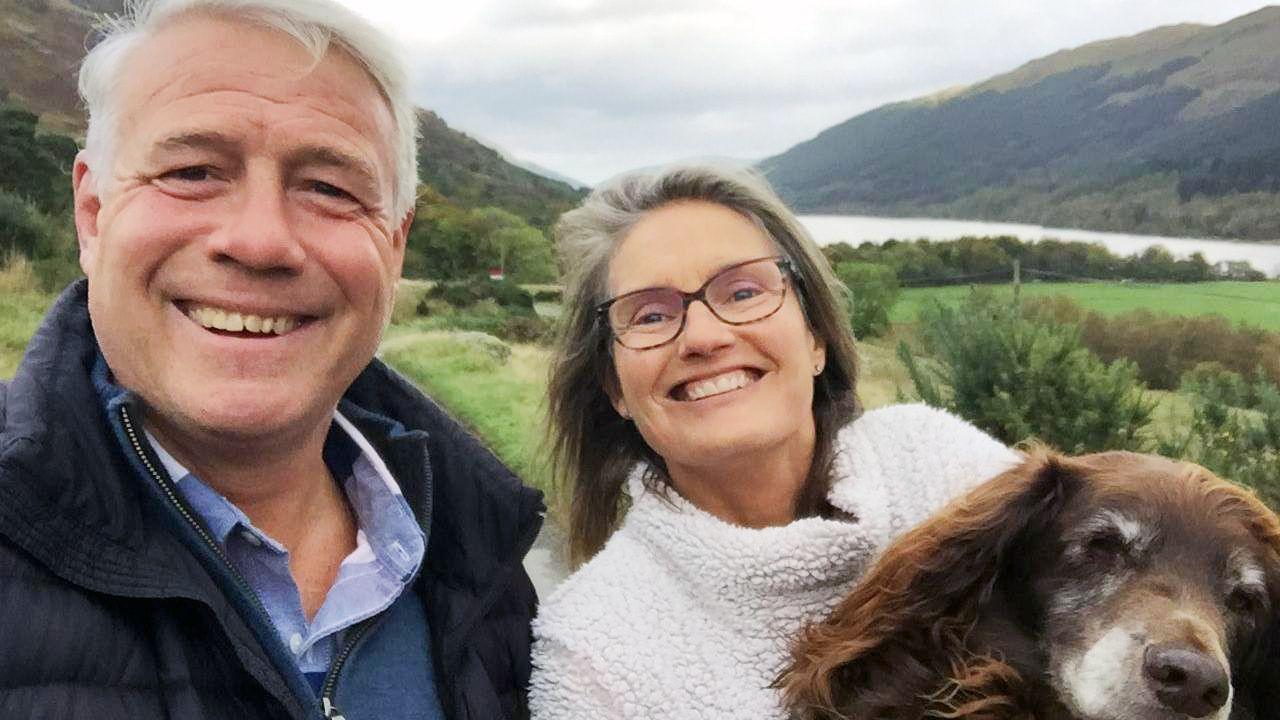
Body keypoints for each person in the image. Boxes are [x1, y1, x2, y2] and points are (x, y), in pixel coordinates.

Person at [0, 1, 543, 718]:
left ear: (395, 242)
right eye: (192, 170)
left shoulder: (485, 562)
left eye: (329, 188)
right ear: (93, 213)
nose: (260, 241)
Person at [529, 165, 1021, 719]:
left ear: (816, 337)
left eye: (742, 291)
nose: (705, 336)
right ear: (615, 386)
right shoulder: (594, 647)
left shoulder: (947, 471)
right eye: (650, 314)